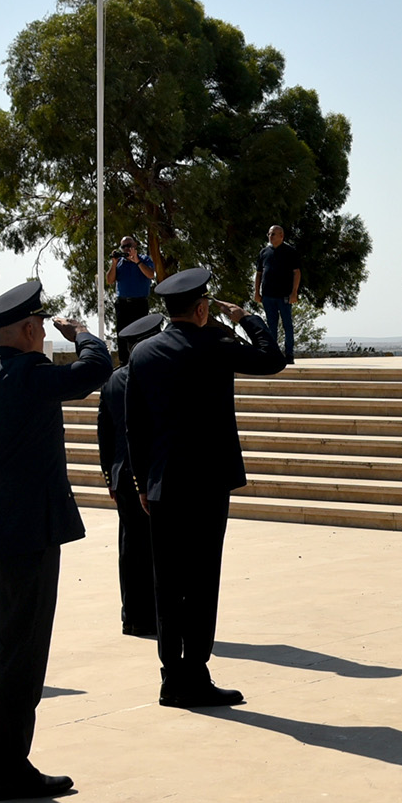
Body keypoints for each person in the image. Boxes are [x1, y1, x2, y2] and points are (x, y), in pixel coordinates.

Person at [0, 281, 113, 799]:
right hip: (26, 535)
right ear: (32, 330)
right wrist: (83, 335)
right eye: (38, 325)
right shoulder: (30, 375)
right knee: (21, 652)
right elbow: (96, 370)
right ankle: (9, 769)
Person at [124, 267, 287, 707]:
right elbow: (272, 358)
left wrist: (141, 482)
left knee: (166, 582)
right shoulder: (216, 344)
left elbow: (134, 426)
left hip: (162, 484)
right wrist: (246, 318)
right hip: (207, 484)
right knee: (200, 581)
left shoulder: (143, 353)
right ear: (201, 309)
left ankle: (170, 675)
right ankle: (194, 673)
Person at [97, 312, 164, 637]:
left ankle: (133, 616)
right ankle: (156, 617)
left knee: (130, 546)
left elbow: (104, 433)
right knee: (158, 548)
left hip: (122, 474)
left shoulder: (113, 380)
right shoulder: (157, 376)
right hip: (152, 473)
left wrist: (109, 476)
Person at [252, 225, 302, 364]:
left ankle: (289, 354)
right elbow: (259, 273)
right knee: (271, 326)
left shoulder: (290, 252)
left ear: (281, 236)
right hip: (268, 296)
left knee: (287, 325)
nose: (270, 236)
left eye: (273, 234)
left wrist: (294, 293)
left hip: (284, 296)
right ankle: (273, 354)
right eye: (269, 234)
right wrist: (257, 292)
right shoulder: (264, 252)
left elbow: (297, 272)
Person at [106, 239, 158, 358]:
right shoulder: (119, 263)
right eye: (123, 247)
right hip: (123, 304)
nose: (126, 249)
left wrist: (137, 262)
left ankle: (141, 359)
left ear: (135, 246)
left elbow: (151, 275)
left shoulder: (144, 259)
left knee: (141, 334)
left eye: (128, 246)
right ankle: (124, 361)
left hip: (139, 304)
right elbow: (109, 280)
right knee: (122, 334)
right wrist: (114, 263)